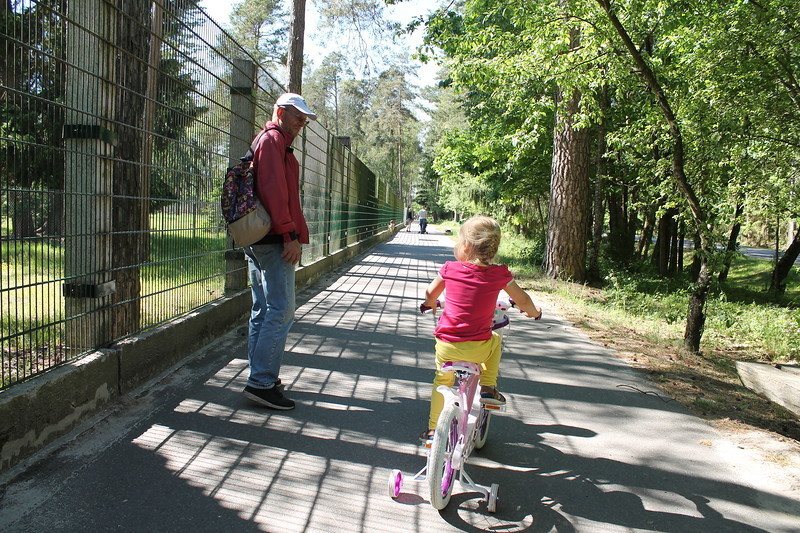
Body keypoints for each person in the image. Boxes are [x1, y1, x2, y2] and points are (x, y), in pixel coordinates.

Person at [420, 215, 542, 440]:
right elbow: (523, 300)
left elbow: (430, 294)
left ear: (465, 245)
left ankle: (433, 428)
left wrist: (429, 304)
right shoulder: (499, 274)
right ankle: (488, 386)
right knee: (495, 340)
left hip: (447, 345)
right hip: (478, 347)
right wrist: (534, 313)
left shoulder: (450, 269)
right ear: (493, 248)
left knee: (442, 380)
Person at [243, 93, 316, 410]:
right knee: (282, 310)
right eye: (297, 115)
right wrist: (289, 234)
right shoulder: (272, 140)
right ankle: (261, 381)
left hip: (261, 237)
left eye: (304, 119)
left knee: (263, 309)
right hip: (273, 239)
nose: (302, 123)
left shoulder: (274, 142)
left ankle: (261, 377)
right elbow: (274, 191)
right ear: (280, 112)